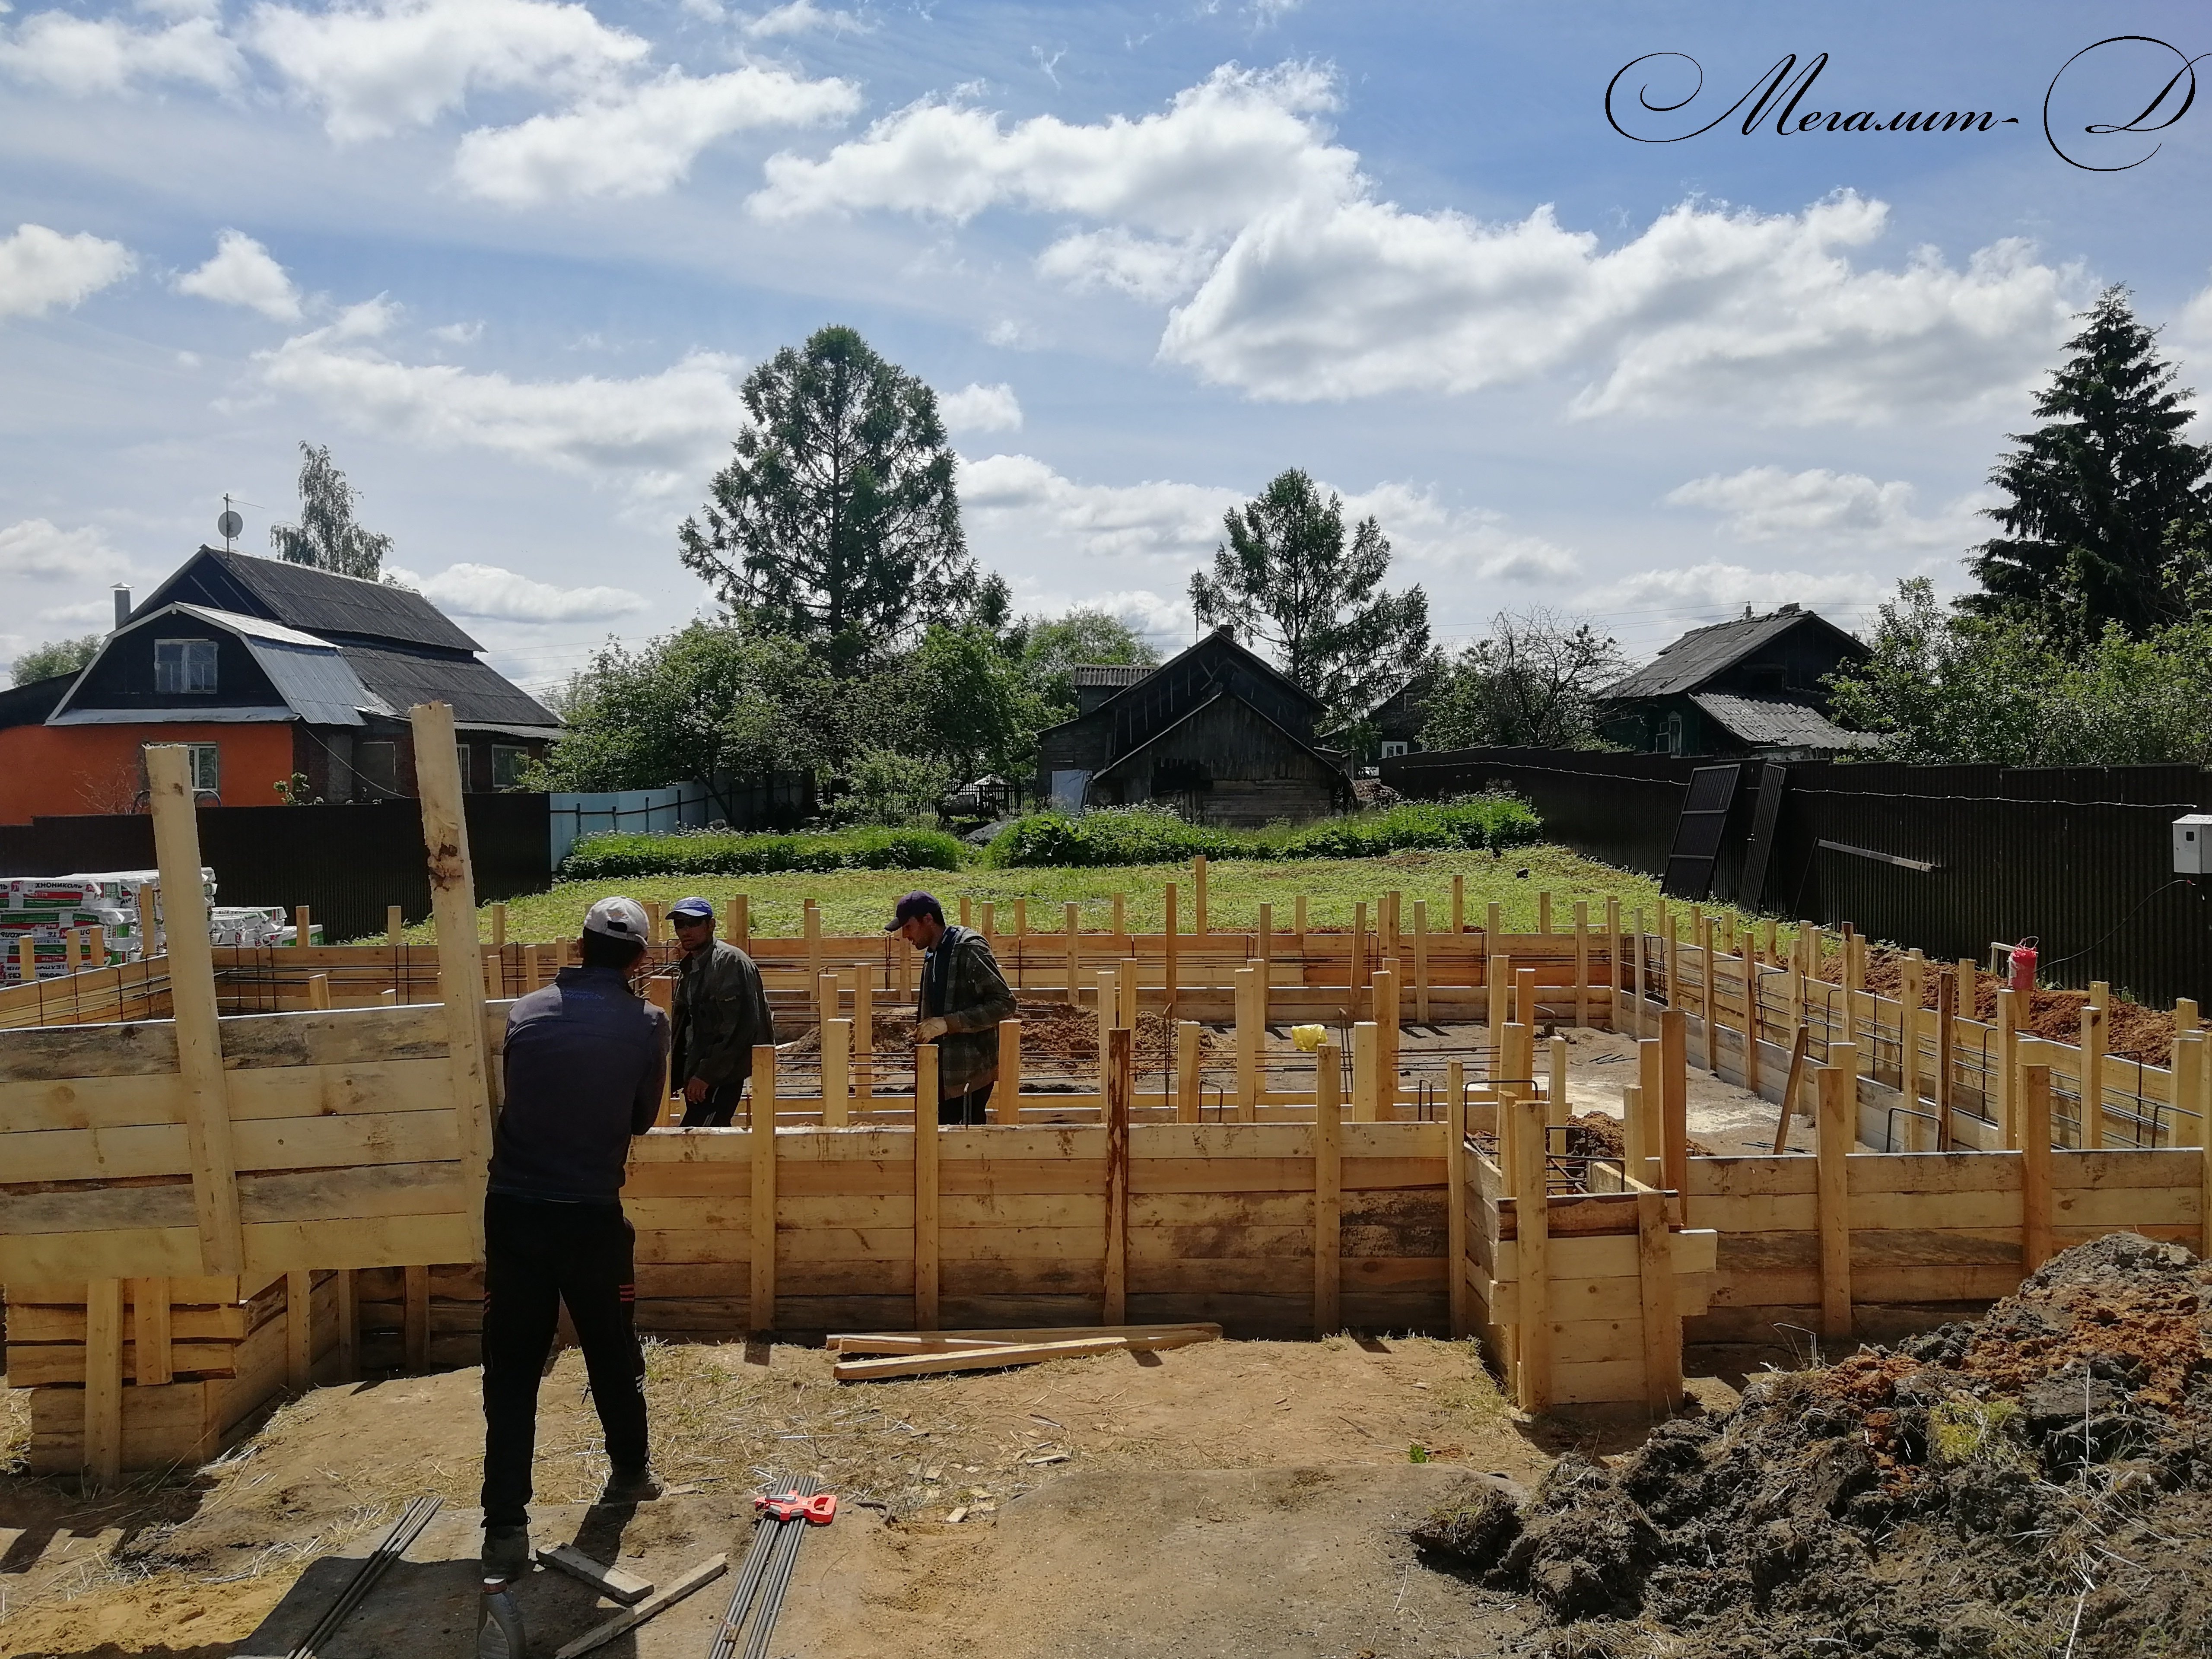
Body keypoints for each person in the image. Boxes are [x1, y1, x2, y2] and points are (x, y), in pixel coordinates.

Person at [479, 896, 670, 1585]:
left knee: (511, 1367)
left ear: (580, 945)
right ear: (640, 958)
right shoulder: (649, 1025)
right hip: (590, 1214)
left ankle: (505, 1528)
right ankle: (630, 1472)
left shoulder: (525, 1012)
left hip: (514, 1210)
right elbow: (642, 1120)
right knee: (611, 1345)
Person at [886, 890, 1016, 1125]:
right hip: (939, 1074)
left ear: (928, 920)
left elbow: (1004, 1004)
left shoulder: (969, 949)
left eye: (908, 927)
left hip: (969, 1076)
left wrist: (948, 1024)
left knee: (965, 1143)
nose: (905, 936)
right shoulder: (933, 953)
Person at [667, 895, 773, 1129]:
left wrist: (707, 1075)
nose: (685, 931)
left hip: (721, 1076)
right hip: (701, 1073)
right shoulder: (693, 966)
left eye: (693, 923)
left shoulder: (729, 963)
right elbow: (686, 1025)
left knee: (700, 1137)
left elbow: (740, 1027)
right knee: (710, 1136)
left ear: (711, 925)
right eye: (680, 925)